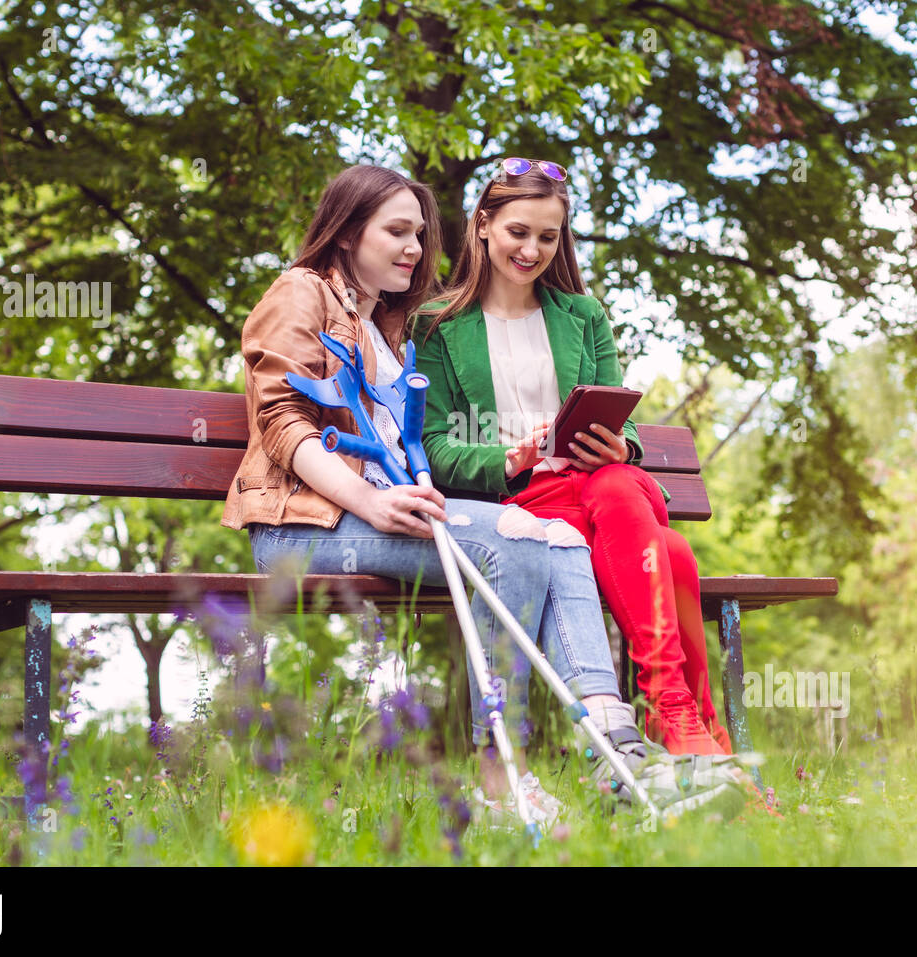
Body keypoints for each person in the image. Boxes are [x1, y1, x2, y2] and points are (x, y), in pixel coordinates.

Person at [221, 164, 742, 827]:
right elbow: (283, 421)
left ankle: (618, 752)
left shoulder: (384, 322)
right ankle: (501, 779)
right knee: (516, 536)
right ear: (349, 233)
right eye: (398, 232)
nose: (415, 248)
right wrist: (370, 501)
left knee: (555, 534)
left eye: (420, 233)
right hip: (308, 524)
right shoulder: (301, 292)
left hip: (385, 513)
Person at [413, 158, 733, 756]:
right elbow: (431, 447)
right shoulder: (435, 326)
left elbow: (623, 419)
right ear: (483, 225)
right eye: (518, 232)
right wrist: (513, 455)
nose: (532, 249)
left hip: (600, 490)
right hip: (523, 505)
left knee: (615, 482)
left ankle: (673, 714)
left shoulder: (582, 317)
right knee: (672, 553)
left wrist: (622, 444)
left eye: (547, 236)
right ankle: (692, 728)